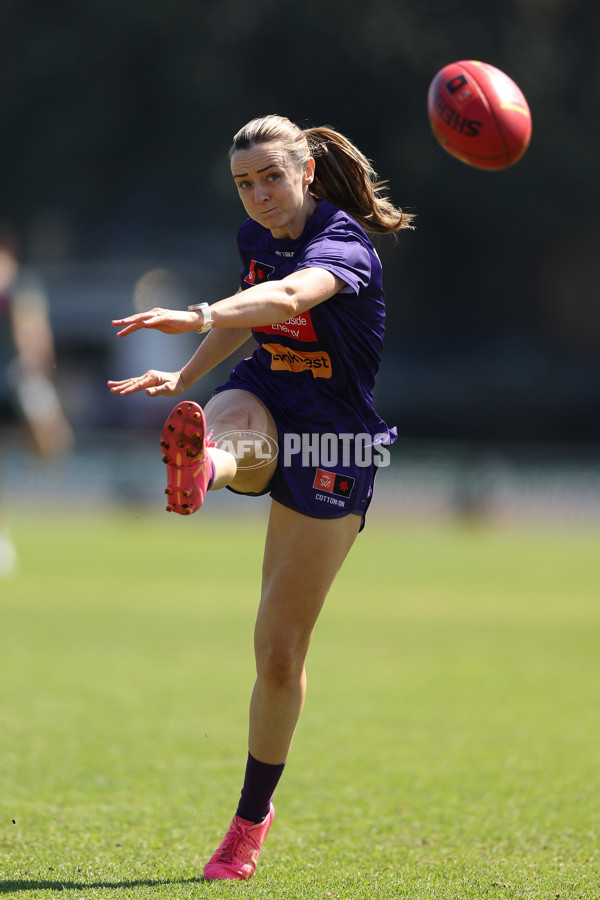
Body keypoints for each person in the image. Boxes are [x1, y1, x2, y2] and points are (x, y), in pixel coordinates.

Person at [107, 114, 414, 880]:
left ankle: (250, 820)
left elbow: (282, 301)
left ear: (307, 169)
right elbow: (254, 316)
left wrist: (201, 314)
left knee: (278, 655)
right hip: (267, 399)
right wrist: (183, 378)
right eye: (245, 184)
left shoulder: (343, 245)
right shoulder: (257, 240)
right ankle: (202, 467)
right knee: (228, 424)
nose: (259, 196)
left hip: (334, 443)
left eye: (271, 177)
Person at [0, 224, 73, 576]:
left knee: (51, 447)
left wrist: (35, 372)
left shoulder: (20, 287)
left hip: (18, 379)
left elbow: (32, 332)